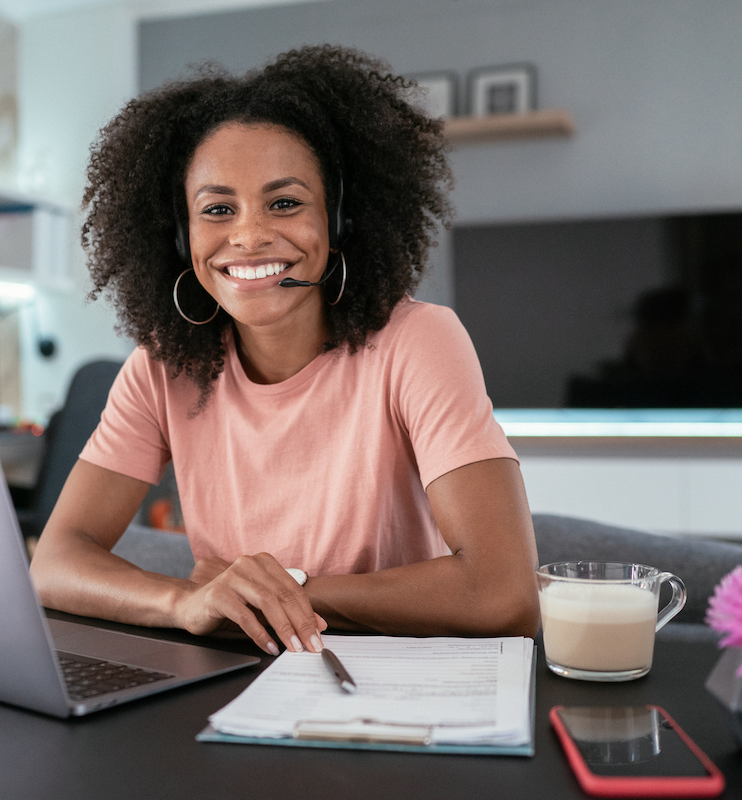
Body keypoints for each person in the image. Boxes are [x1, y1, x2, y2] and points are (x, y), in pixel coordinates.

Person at [30, 45, 540, 657]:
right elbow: (54, 562)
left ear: (340, 221)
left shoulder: (418, 341)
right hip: (233, 673)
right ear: (179, 235)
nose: (248, 236)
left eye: (285, 202)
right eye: (217, 209)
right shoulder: (162, 367)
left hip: (394, 677)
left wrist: (287, 593)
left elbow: (504, 593)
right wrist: (184, 602)